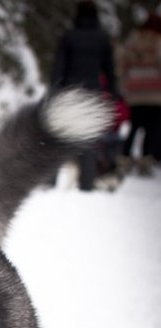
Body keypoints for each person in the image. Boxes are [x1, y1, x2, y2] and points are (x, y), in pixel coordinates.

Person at [51, 1, 119, 190]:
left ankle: (50, 182)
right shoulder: (102, 38)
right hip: (92, 92)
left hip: (70, 91)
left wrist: (54, 91)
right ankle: (86, 184)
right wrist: (113, 93)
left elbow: (58, 67)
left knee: (61, 137)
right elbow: (109, 69)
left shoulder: (69, 37)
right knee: (88, 139)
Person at [118, 14, 161, 168]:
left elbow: (122, 62)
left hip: (135, 91)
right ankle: (145, 158)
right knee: (152, 128)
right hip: (155, 92)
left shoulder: (132, 41)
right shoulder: (158, 41)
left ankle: (125, 156)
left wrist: (125, 84)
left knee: (134, 125)